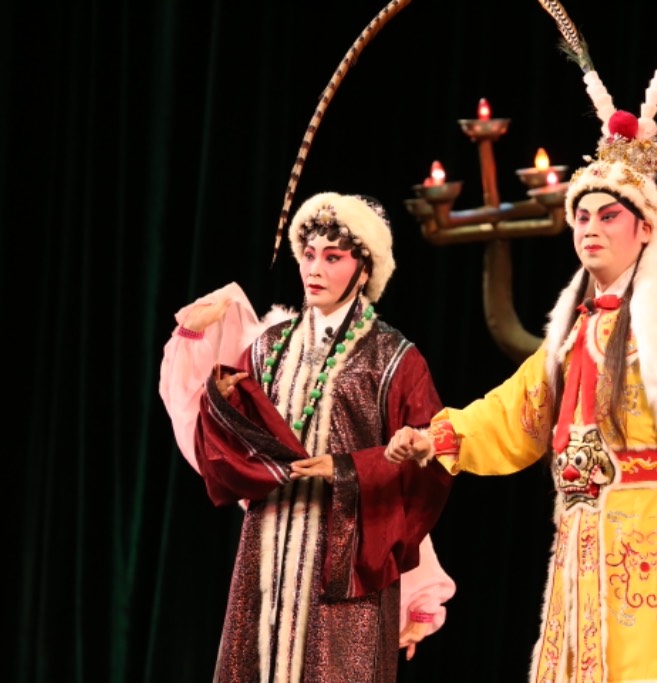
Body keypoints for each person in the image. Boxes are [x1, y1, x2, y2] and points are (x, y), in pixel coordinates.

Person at [385, 101, 657, 681]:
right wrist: (435, 438)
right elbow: (513, 412)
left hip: (652, 534)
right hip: (580, 532)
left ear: (645, 228)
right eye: (581, 218)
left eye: (609, 217)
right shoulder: (571, 330)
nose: (590, 229)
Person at [159, 191, 455, 682]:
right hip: (268, 551)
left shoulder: (393, 358)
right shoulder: (269, 348)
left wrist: (346, 469)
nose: (314, 269)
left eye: (333, 258)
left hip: (347, 567)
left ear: (364, 269)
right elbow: (225, 455)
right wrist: (222, 403)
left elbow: (430, 458)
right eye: (309, 255)